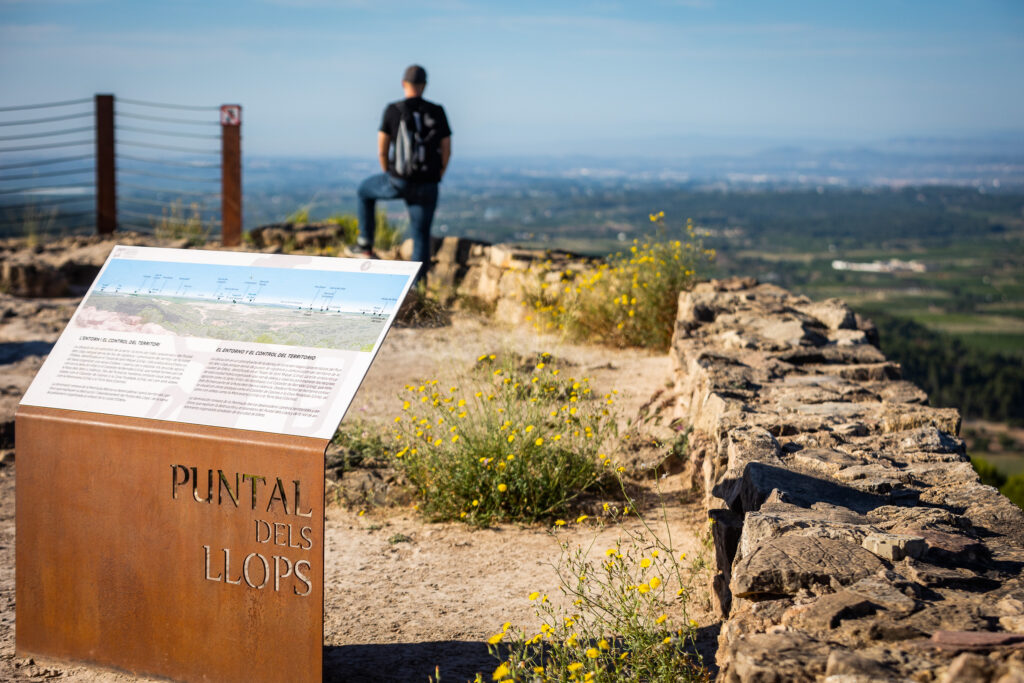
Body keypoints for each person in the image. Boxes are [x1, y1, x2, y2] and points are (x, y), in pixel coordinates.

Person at [355, 64, 452, 283]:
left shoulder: (393, 110)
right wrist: (440, 174)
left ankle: (365, 243)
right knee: (420, 236)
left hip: (399, 180)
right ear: (424, 85)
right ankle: (418, 287)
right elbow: (446, 148)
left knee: (363, 191)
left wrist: (389, 172)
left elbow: (382, 148)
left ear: (403, 84)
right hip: (429, 182)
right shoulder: (437, 111)